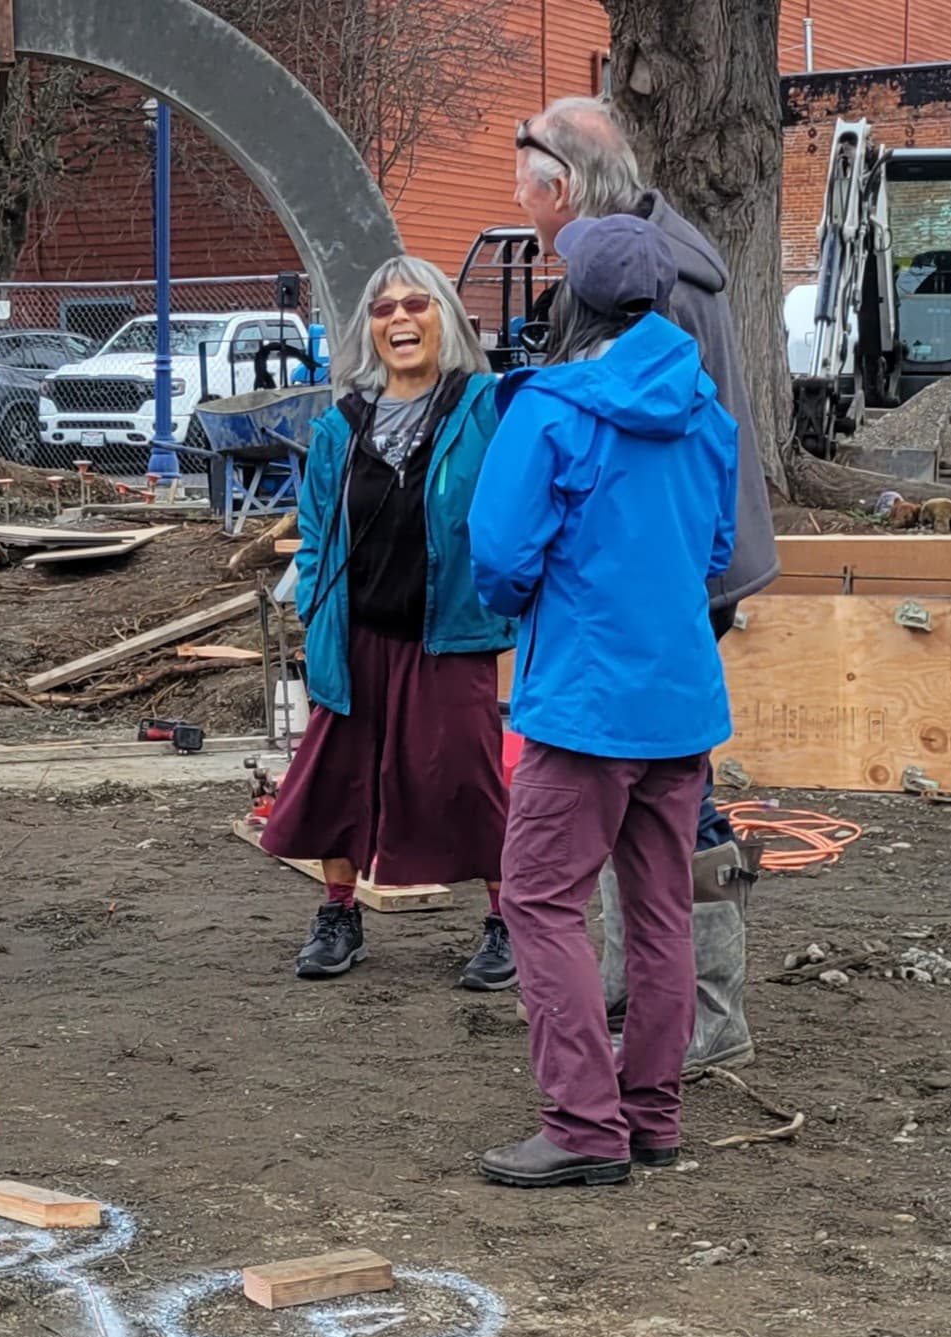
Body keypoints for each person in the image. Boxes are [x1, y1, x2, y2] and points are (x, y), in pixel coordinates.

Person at [468, 215, 738, 1186]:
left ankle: (583, 1128)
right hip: (677, 702)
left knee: (541, 902)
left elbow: (495, 556)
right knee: (659, 910)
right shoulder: (705, 414)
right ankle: (646, 1118)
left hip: (583, 700)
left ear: (569, 297)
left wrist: (536, 598)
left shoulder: (550, 408)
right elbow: (713, 555)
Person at [513, 95, 773, 1074]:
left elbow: (655, 452)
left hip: (653, 586)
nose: (522, 213)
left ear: (564, 190)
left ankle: (705, 1012)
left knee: (675, 796)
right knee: (660, 790)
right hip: (666, 575)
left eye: (524, 191)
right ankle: (638, 994)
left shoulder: (641, 279)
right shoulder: (655, 259)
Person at [262, 257, 517, 987]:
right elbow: (315, 533)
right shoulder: (342, 425)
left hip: (449, 635)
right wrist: (317, 609)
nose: (399, 320)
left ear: (446, 319)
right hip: (358, 635)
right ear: (367, 331)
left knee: (469, 784)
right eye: (382, 310)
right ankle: (340, 914)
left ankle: (508, 924)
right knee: (335, 781)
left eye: (416, 305)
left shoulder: (487, 407)